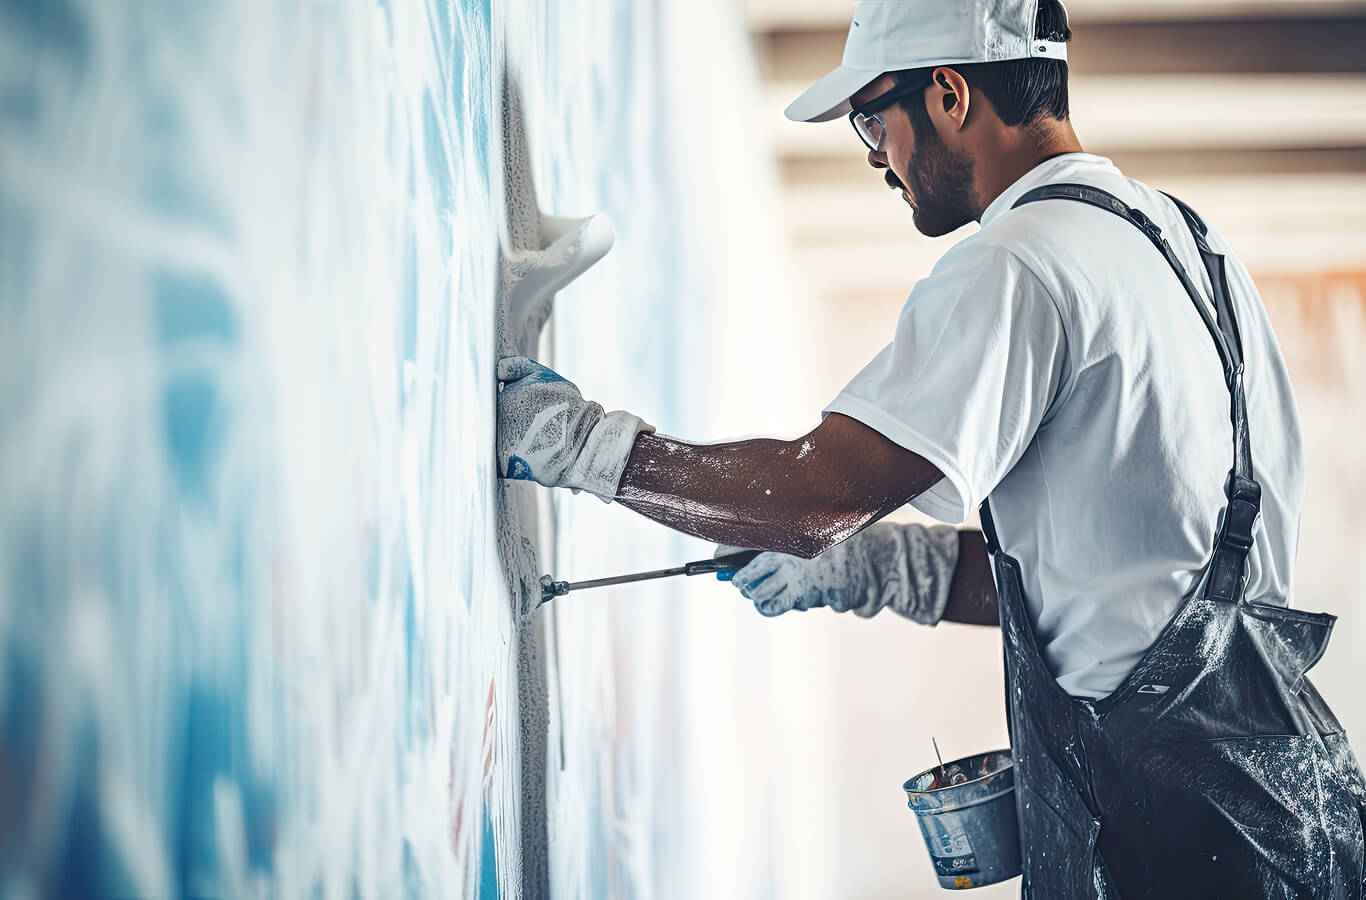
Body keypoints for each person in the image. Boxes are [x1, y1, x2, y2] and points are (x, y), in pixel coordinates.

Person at [494, 0, 1366, 894]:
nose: (877, 157)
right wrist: (879, 570)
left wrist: (580, 446)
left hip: (1190, 861)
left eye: (875, 119)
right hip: (1305, 821)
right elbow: (1136, 579)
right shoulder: (1196, 250)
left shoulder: (1023, 261)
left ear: (949, 94)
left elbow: (813, 496)